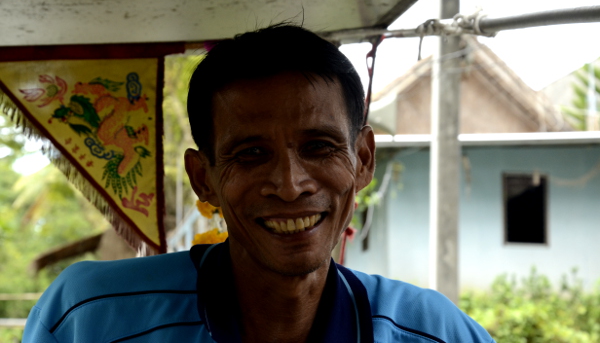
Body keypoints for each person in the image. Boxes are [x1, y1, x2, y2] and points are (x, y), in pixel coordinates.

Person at [23, 24, 495, 343]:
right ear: (202, 178)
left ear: (363, 160)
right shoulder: (87, 318)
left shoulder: (436, 331)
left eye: (319, 147)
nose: (290, 185)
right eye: (251, 154)